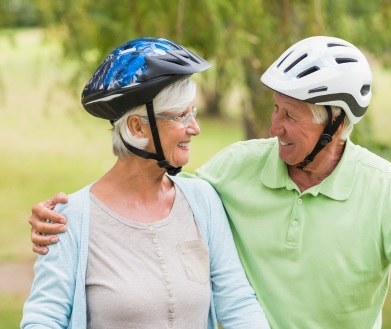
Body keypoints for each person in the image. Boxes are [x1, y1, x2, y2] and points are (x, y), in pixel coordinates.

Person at [28, 36, 391, 328]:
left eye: (291, 116)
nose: (273, 126)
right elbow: (147, 192)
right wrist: (57, 219)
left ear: (333, 125)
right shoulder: (232, 172)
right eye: (275, 108)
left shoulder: (385, 189)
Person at [21, 37, 270, 329]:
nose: (195, 128)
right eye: (181, 116)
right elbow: (43, 319)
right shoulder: (71, 219)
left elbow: (238, 304)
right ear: (137, 127)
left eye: (194, 113)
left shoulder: (202, 201)